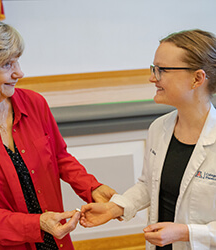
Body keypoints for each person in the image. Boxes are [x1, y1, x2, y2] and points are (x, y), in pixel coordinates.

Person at [0, 15, 117, 250]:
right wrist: (37, 224)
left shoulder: (34, 103)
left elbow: (60, 157)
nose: (19, 73)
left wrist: (92, 187)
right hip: (6, 244)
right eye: (7, 65)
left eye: (17, 61)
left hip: (56, 238)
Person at [80, 29, 216, 250]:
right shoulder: (159, 128)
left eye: (162, 70)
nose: (152, 78)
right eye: (154, 68)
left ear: (197, 78)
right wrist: (116, 207)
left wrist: (185, 232)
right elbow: (148, 185)